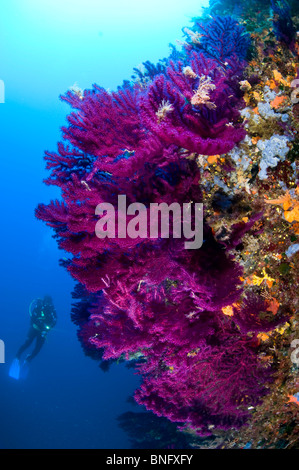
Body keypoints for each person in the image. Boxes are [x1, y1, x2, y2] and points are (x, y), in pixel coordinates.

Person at [9, 295, 57, 379]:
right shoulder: (39, 306)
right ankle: (17, 356)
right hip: (34, 329)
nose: (48, 304)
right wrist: (39, 322)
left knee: (38, 348)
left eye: (49, 302)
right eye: (47, 302)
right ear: (44, 301)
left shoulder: (52, 309)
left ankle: (28, 359)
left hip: (43, 332)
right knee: (27, 343)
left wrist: (47, 329)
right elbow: (32, 318)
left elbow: (55, 320)